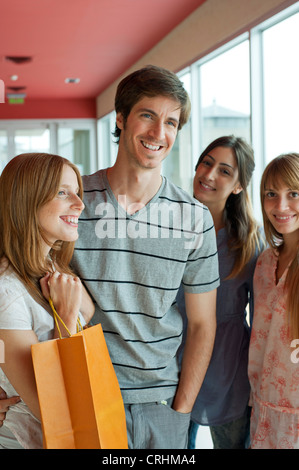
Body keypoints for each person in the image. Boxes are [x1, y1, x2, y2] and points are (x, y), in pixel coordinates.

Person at [69, 65, 220, 449]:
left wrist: (181, 410)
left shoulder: (194, 218)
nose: (158, 133)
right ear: (121, 119)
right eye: (147, 116)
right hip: (83, 396)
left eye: (171, 122)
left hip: (162, 406)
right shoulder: (72, 202)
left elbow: (203, 324)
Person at [0, 153, 94, 449]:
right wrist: (64, 317)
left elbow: (88, 312)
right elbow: (50, 410)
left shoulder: (49, 264)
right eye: (62, 192)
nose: (80, 204)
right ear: (27, 200)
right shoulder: (7, 292)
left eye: (77, 193)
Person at [177, 136, 263, 448]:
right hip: (173, 370)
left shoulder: (250, 245)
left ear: (239, 186)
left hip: (230, 375)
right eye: (207, 162)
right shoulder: (168, 228)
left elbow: (264, 321)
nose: (209, 174)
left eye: (225, 171)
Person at [248, 153, 299, 449]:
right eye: (271, 194)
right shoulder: (265, 262)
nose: (281, 206)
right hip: (263, 409)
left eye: (293, 194)